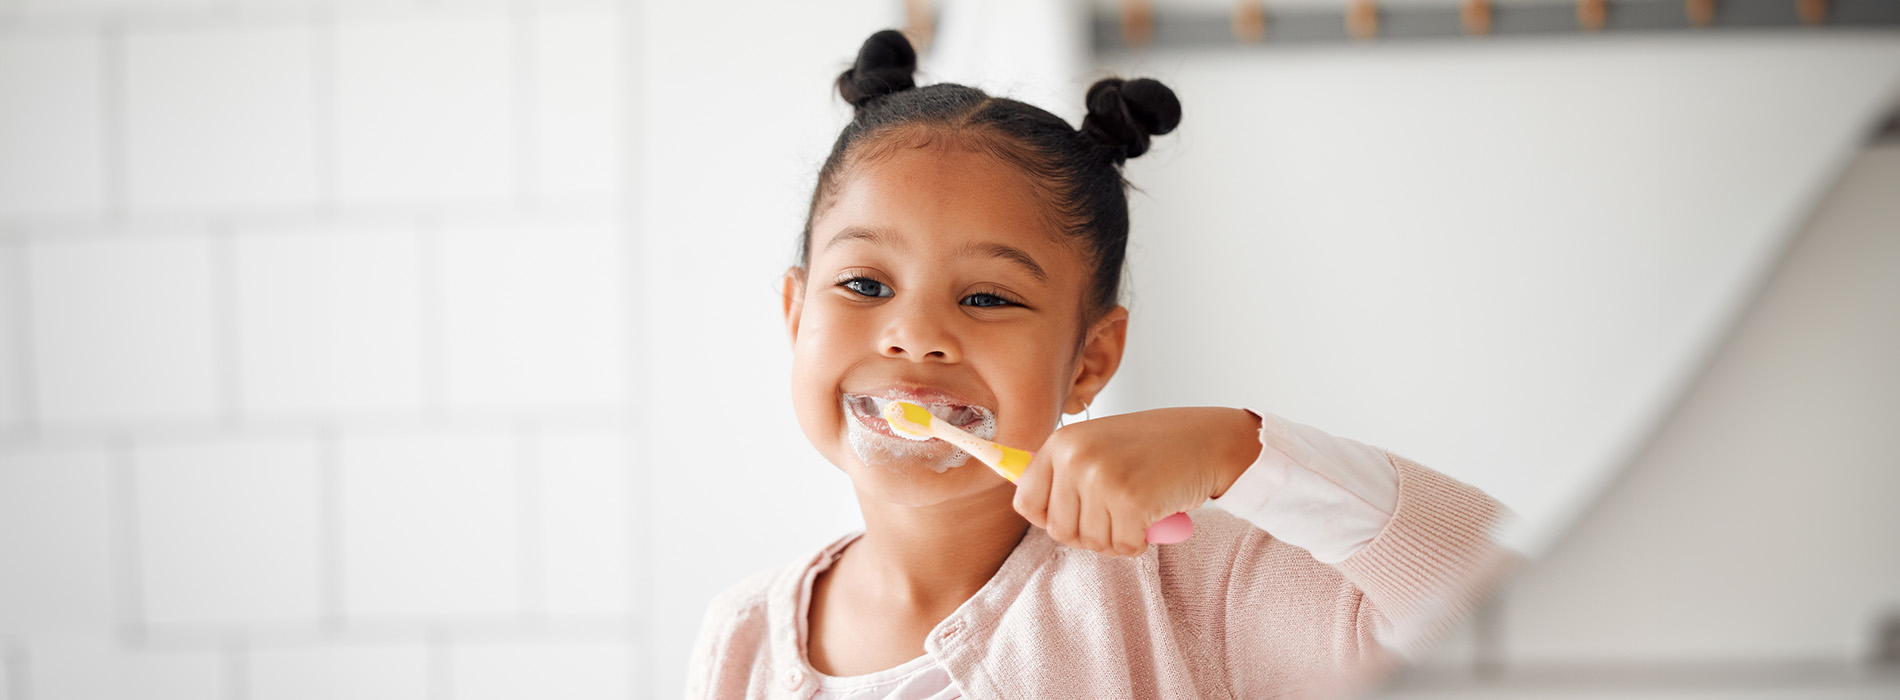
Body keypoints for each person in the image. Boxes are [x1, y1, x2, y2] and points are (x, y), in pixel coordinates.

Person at [686, 29, 1515, 700]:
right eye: (865, 284)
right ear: (797, 316)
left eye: (986, 298)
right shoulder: (742, 639)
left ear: (1091, 360)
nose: (915, 335)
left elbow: (1520, 614)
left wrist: (1242, 452)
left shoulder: (1199, 593)